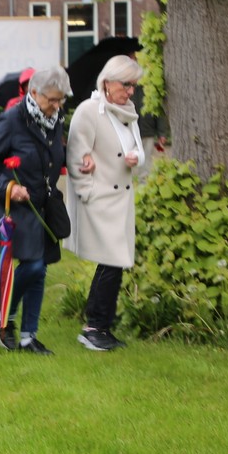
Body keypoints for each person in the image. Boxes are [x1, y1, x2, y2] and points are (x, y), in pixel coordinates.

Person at [0, 66, 70, 354]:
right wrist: (8, 187)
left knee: (39, 268)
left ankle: (29, 336)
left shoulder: (54, 119)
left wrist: (75, 161)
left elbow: (51, 156)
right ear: (33, 92)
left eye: (61, 100)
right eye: (51, 100)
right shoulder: (10, 120)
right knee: (33, 264)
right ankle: (3, 315)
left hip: (42, 203)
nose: (56, 106)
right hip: (14, 204)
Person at [67, 55, 144, 352]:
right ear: (108, 82)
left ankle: (101, 326)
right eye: (126, 84)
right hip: (100, 198)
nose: (131, 91)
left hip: (121, 198)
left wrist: (137, 158)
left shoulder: (127, 110)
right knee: (111, 262)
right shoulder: (89, 110)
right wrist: (87, 192)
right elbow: (76, 155)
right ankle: (94, 327)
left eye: (133, 85)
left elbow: (135, 148)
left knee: (115, 263)